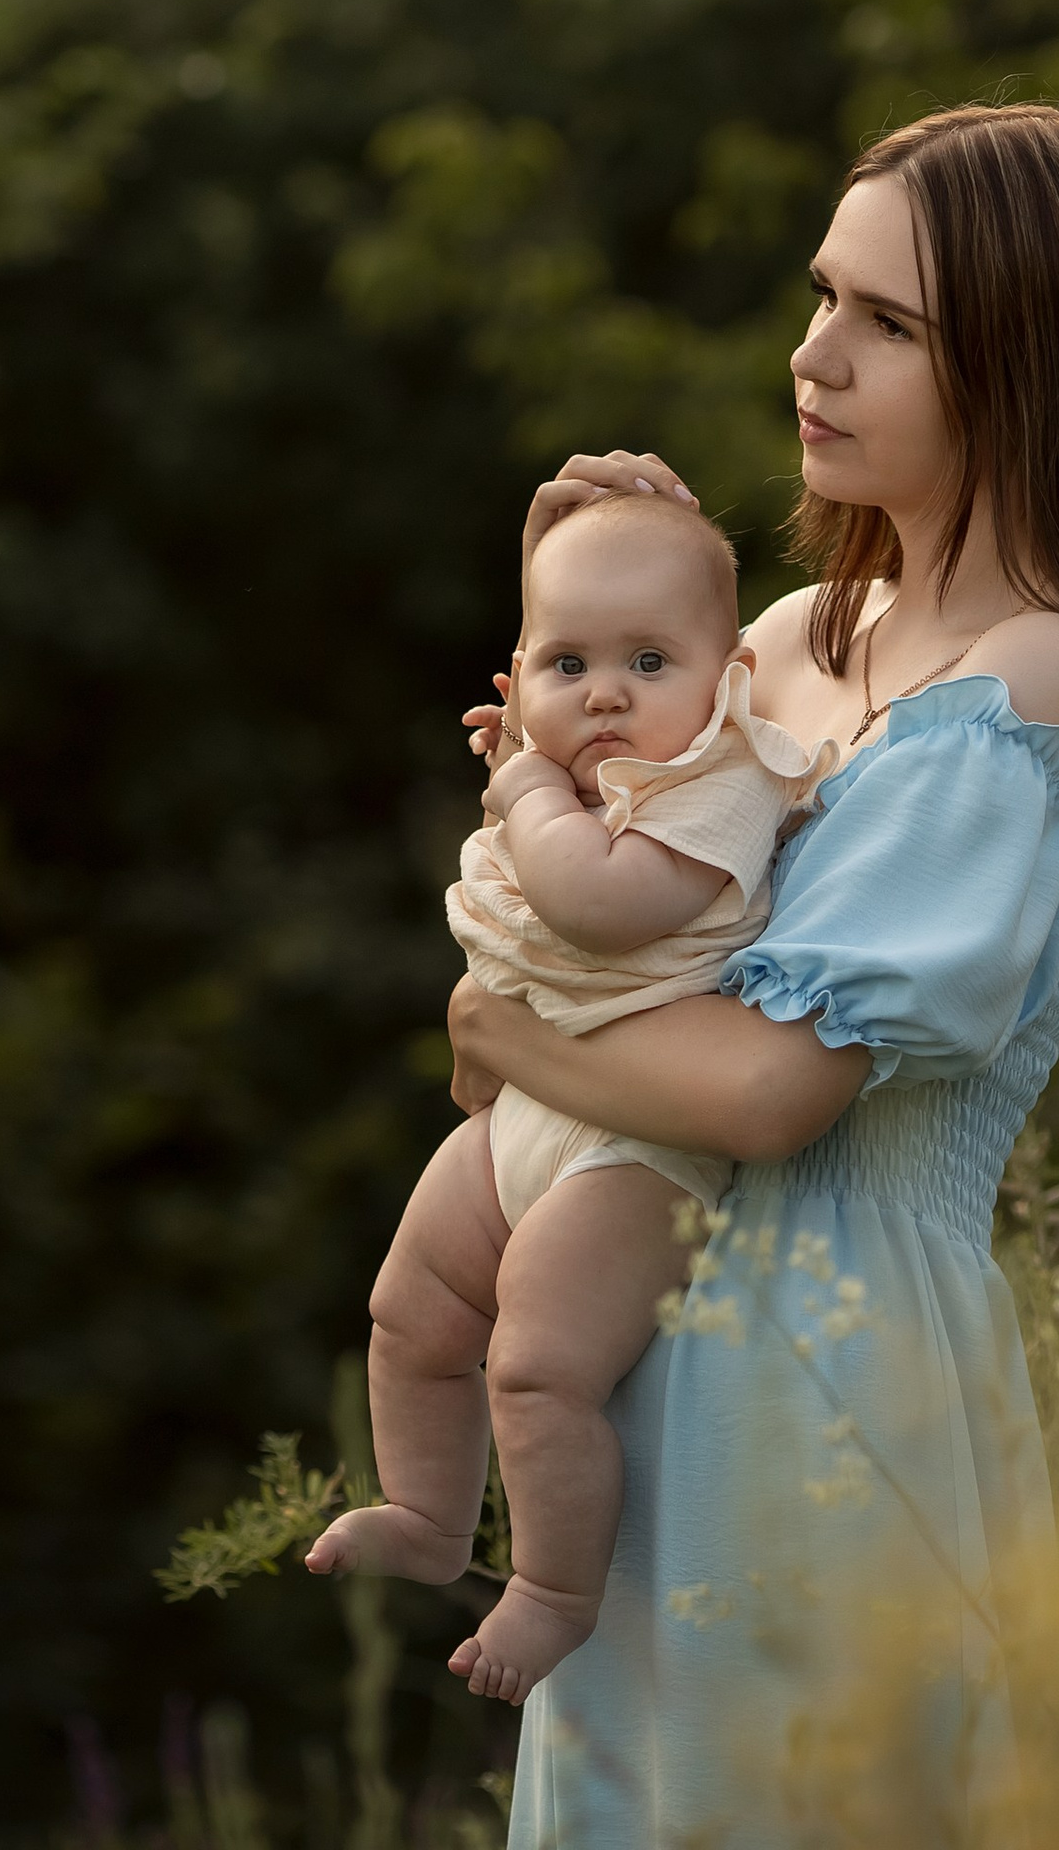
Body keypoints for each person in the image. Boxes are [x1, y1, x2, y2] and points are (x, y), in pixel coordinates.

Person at [443, 102, 1059, 1844]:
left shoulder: (1038, 684)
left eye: (887, 322)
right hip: (640, 1324)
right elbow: (606, 900)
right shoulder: (783, 643)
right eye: (825, 297)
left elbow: (768, 1088)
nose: (812, 355)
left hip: (818, 1369)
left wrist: (502, 1030)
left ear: (1033, 362)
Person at [306, 489, 828, 1702]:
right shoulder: (564, 774)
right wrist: (532, 773)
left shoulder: (727, 775)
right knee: (411, 1307)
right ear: (517, 672)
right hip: (527, 1113)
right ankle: (430, 1517)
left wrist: (529, 797)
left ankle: (551, 1591)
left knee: (537, 1363)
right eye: (566, 662)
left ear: (730, 673)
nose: (604, 693)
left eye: (650, 661)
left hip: (643, 1141)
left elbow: (600, 904)